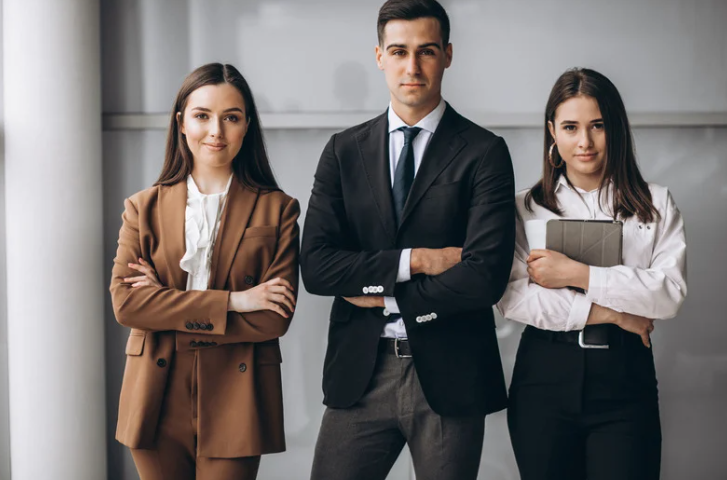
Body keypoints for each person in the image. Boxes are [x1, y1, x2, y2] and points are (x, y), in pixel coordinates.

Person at [300, 1, 516, 479]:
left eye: (426, 51)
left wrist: (384, 292)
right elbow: (316, 266)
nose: (412, 66)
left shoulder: (484, 153)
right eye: (398, 51)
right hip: (361, 372)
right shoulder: (343, 150)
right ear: (379, 56)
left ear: (448, 55)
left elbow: (484, 277)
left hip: (451, 374)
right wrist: (416, 261)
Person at [109, 63, 300, 480]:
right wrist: (234, 301)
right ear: (181, 123)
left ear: (246, 126)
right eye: (202, 116)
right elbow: (127, 305)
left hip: (238, 390)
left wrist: (165, 307)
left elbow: (273, 317)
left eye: (230, 117)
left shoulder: (278, 209)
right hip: (155, 390)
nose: (216, 130)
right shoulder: (142, 208)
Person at [497, 67, 687, 480]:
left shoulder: (654, 204)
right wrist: (616, 313)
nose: (584, 142)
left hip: (625, 380)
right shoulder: (524, 208)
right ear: (552, 132)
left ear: (615, 128)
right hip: (544, 378)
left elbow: (668, 293)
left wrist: (578, 274)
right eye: (570, 127)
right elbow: (514, 299)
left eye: (597, 126)